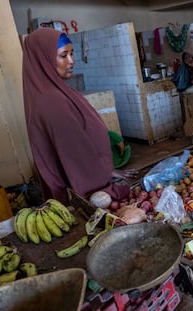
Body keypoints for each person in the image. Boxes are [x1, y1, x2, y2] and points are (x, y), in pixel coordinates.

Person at [22, 28, 137, 205]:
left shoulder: (54, 91)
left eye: (72, 53)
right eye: (63, 55)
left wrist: (106, 170)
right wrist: (103, 179)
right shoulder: (51, 101)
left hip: (90, 180)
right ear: (43, 60)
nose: (71, 61)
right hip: (86, 194)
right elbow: (76, 157)